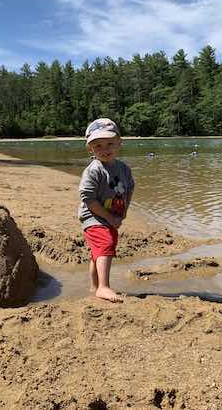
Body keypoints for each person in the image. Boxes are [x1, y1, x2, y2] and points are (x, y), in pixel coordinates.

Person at [78, 118, 135, 303]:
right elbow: (87, 197)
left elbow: (130, 187)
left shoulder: (123, 169)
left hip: (112, 214)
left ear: (120, 143)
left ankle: (95, 286)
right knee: (106, 244)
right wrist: (109, 216)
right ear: (90, 149)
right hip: (93, 214)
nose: (105, 149)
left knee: (98, 251)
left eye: (110, 143)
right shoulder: (94, 170)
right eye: (98, 146)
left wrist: (124, 209)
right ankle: (103, 286)